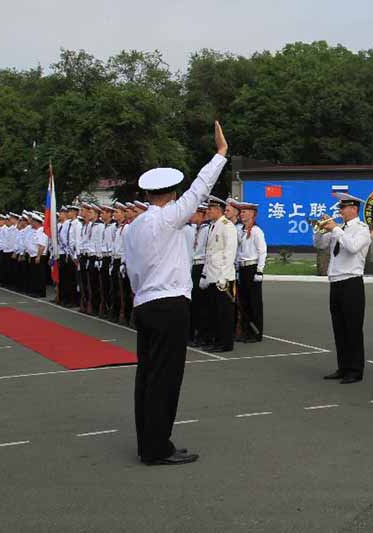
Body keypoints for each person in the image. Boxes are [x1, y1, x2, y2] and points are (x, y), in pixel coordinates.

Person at [123, 120, 228, 466]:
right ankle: (157, 447)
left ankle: (147, 443)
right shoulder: (167, 218)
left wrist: (141, 296)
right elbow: (200, 189)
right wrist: (220, 154)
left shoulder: (135, 226)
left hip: (145, 304)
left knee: (147, 376)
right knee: (166, 379)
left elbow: (132, 271)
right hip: (169, 306)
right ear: (170, 194)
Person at [314, 193, 372, 384]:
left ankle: (355, 370)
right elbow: (320, 245)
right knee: (339, 328)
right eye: (340, 208)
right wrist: (320, 229)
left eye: (343, 208)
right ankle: (343, 366)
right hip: (336, 281)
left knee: (352, 328)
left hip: (351, 282)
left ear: (353, 209)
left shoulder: (362, 229)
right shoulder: (339, 229)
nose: (339, 212)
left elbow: (353, 247)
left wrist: (336, 229)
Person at [200, 195, 238, 353]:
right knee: (213, 312)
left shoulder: (227, 226)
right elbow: (209, 253)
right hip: (212, 276)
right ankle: (216, 340)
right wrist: (204, 274)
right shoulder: (213, 226)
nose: (208, 211)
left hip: (223, 278)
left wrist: (223, 277)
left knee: (224, 313)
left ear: (218, 210)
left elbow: (229, 253)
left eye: (210, 209)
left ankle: (225, 343)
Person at [235, 202, 267, 343]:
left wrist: (259, 270)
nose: (242, 214)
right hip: (242, 268)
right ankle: (246, 331)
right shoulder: (242, 230)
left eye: (245, 212)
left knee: (254, 301)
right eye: (241, 212)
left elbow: (262, 251)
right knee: (244, 301)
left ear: (253, 214)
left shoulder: (256, 231)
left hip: (252, 267)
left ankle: (256, 332)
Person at [189, 204, 212, 346]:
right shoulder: (195, 229)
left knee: (201, 303)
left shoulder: (207, 229)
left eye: (194, 213)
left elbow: (208, 251)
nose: (191, 216)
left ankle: (202, 334)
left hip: (202, 265)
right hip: (194, 265)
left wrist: (204, 273)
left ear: (201, 214)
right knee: (194, 303)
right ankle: (194, 333)